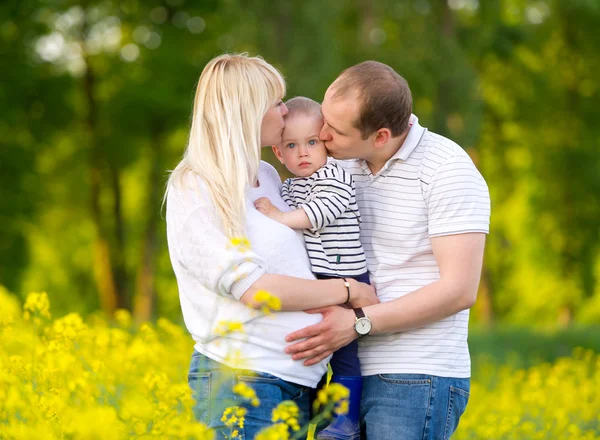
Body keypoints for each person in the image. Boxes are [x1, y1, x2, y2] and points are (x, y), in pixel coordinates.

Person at [164, 54, 378, 440]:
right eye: (276, 103)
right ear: (247, 111)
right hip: (245, 382)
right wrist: (349, 290)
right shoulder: (194, 186)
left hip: (297, 386)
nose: (285, 110)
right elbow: (256, 289)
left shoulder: (266, 176)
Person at [284, 61, 491, 440]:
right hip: (345, 368)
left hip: (414, 375)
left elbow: (459, 290)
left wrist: (359, 321)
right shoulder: (342, 166)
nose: (322, 133)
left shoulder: (447, 169)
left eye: (335, 130)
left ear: (380, 136)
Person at [254, 96, 368, 440]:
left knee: (346, 355)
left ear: (326, 143)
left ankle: (346, 420)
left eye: (312, 142)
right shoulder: (287, 186)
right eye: (292, 145)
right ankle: (322, 412)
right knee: (316, 352)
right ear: (278, 153)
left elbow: (318, 213)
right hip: (317, 283)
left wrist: (277, 216)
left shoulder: (335, 177)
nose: (303, 152)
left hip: (346, 277)